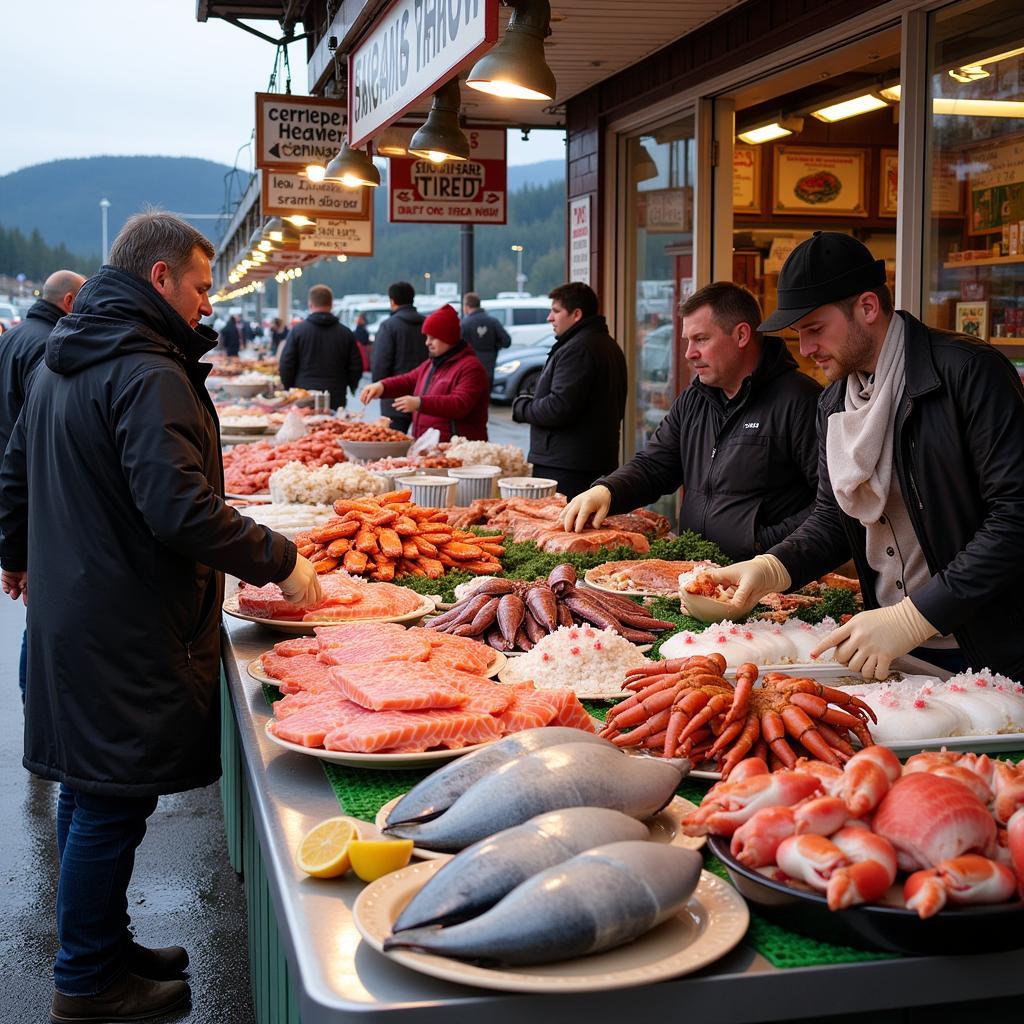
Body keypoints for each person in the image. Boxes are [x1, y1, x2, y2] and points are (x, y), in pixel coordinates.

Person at [0, 212, 321, 1022]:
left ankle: (101, 943)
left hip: (77, 606)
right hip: (126, 616)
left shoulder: (62, 357)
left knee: (89, 788)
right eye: (203, 287)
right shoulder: (146, 370)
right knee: (111, 800)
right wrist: (280, 559)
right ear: (159, 279)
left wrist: (16, 555)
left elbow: (13, 468)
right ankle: (86, 979)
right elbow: (178, 508)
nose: (209, 305)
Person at [702, 231, 1024, 680]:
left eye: (815, 329)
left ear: (868, 308)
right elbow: (834, 517)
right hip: (887, 651)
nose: (807, 349)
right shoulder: (833, 403)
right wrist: (774, 566)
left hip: (989, 648)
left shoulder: (969, 372)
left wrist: (916, 615)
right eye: (799, 334)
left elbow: (1014, 519)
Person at [562, 282, 821, 560]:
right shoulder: (694, 399)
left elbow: (831, 505)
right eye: (688, 340)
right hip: (695, 572)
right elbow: (654, 466)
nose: (689, 353)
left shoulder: (802, 401)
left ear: (742, 335)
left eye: (701, 339)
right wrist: (607, 491)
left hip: (770, 583)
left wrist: (763, 547)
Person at [0, 269, 87, 703]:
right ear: (69, 302)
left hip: (16, 487)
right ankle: (36, 696)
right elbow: (36, 436)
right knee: (42, 606)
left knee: (38, 606)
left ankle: (31, 693)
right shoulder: (49, 348)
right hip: (36, 491)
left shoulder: (12, 337)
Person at [511, 282, 627, 498]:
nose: (549, 318)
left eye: (556, 311)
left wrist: (522, 407)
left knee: (562, 529)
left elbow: (559, 407)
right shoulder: (604, 344)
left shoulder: (579, 349)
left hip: (568, 468)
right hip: (586, 461)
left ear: (576, 314)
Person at [360, 304, 489, 441]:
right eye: (427, 337)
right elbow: (409, 380)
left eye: (433, 338)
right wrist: (382, 386)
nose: (427, 343)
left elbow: (460, 404)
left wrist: (419, 403)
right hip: (429, 446)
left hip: (458, 447)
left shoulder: (471, 368)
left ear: (448, 337)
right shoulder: (432, 364)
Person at [278, 285, 362, 409]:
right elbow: (355, 366)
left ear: (310, 304)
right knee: (333, 427)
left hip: (303, 394)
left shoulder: (298, 331)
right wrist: (351, 385)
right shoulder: (346, 333)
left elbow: (286, 364)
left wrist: (289, 388)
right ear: (331, 304)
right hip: (335, 394)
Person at [371, 282, 426, 433]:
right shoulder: (426, 324)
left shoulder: (389, 326)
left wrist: (379, 387)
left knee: (393, 445)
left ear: (392, 301)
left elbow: (381, 362)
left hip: (394, 398)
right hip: (424, 396)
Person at [461, 291, 511, 384]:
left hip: (470, 368)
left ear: (467, 306)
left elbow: (458, 345)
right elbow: (507, 342)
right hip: (489, 367)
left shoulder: (465, 324)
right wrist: (495, 346)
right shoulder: (493, 321)